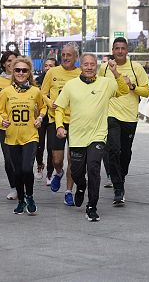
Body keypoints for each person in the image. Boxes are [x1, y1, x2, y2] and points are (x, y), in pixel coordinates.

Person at [54, 54, 129, 222]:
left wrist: (115, 73)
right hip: (77, 136)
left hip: (98, 135)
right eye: (86, 64)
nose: (89, 67)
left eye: (92, 64)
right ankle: (81, 186)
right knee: (77, 172)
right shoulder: (71, 85)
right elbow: (59, 107)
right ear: (80, 66)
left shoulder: (106, 83)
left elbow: (124, 90)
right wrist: (59, 126)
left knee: (94, 169)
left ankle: (92, 206)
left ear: (96, 66)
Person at [99, 37, 149, 205]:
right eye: (116, 48)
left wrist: (133, 86)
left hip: (129, 116)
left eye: (122, 48)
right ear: (112, 50)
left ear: (127, 50)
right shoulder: (105, 68)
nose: (120, 51)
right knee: (113, 150)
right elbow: (97, 87)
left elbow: (147, 92)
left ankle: (121, 177)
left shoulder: (136, 69)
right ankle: (118, 187)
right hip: (110, 114)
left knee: (125, 153)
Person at [0, 56, 45, 215]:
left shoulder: (35, 91)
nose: (21, 73)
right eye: (18, 70)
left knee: (26, 169)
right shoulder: (6, 92)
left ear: (29, 72)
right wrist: (2, 121)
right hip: (12, 137)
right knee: (17, 171)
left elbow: (43, 108)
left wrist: (39, 118)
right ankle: (21, 200)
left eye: (24, 70)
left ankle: (29, 196)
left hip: (30, 136)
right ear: (12, 72)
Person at [41, 43, 82, 206]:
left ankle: (68, 192)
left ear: (76, 57)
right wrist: (51, 103)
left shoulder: (80, 74)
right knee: (57, 159)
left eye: (69, 55)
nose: (65, 57)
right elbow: (42, 92)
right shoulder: (52, 72)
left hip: (75, 121)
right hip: (55, 119)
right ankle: (58, 172)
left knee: (73, 157)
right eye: (63, 54)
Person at [0, 50, 20, 200]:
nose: (11, 64)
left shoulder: (24, 78)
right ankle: (14, 187)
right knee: (9, 159)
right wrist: (0, 118)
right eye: (8, 61)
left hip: (23, 126)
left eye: (14, 61)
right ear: (3, 64)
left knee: (21, 160)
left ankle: (24, 187)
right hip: (4, 126)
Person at [36, 57, 57, 183]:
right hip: (40, 116)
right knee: (39, 145)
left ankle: (50, 173)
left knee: (51, 147)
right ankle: (39, 165)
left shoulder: (58, 80)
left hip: (53, 116)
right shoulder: (37, 81)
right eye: (46, 65)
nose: (48, 68)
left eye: (51, 66)